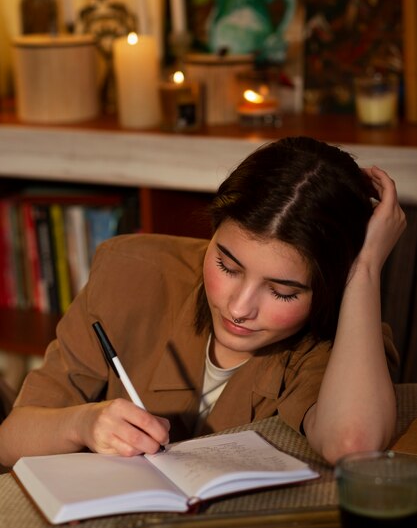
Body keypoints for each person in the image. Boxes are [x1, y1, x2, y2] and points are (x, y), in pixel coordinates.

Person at [0, 136, 406, 466]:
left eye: (282, 291)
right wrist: (83, 423)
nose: (239, 307)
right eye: (227, 267)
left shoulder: (338, 341)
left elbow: (355, 445)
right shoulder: (129, 272)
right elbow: (10, 439)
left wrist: (365, 266)